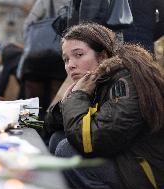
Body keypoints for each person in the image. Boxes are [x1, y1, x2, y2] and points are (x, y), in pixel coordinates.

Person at [45, 23, 164, 189]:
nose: (70, 65)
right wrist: (68, 101)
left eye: (78, 54)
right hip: (122, 155)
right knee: (58, 137)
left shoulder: (125, 81)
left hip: (145, 171)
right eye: (66, 59)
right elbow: (49, 124)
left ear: (102, 57)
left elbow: (90, 141)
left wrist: (77, 97)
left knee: (66, 150)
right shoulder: (97, 81)